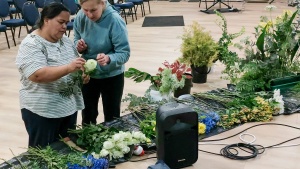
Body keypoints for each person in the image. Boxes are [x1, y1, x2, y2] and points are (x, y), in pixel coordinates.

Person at [15, 3, 88, 147]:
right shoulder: (31, 44)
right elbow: (36, 75)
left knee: (65, 150)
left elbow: (75, 67)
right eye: (61, 22)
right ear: (46, 20)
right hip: (43, 111)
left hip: (67, 107)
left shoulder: (65, 41)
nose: (64, 27)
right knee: (43, 153)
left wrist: (82, 75)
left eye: (66, 23)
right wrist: (68, 68)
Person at [74, 0, 130, 124]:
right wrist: (79, 46)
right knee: (88, 115)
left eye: (93, 10)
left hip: (112, 75)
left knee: (112, 117)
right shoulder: (80, 16)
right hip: (88, 75)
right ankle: (87, 142)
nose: (89, 15)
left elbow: (124, 53)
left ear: (103, 3)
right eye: (85, 10)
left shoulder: (114, 20)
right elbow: (76, 38)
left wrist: (109, 58)